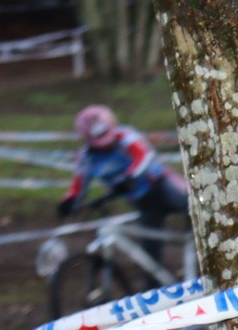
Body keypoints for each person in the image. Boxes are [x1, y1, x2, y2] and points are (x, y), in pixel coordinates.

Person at [59, 105, 189, 258]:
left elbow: (143, 155)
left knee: (194, 209)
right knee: (150, 252)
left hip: (162, 186)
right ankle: (153, 282)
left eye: (106, 136)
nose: (104, 144)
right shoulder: (86, 157)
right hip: (143, 201)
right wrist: (69, 201)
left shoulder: (125, 136)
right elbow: (79, 183)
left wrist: (130, 176)